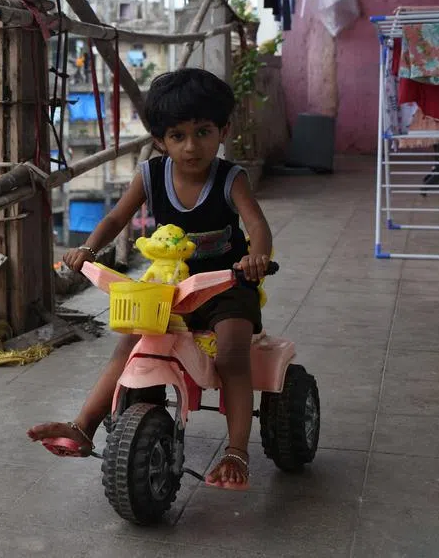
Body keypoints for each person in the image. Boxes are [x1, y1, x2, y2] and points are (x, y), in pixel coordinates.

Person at [27, 67, 272, 490]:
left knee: (233, 354)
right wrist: (87, 249)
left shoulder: (232, 178)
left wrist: (257, 257)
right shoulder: (151, 175)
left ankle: (237, 451)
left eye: (203, 132)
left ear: (223, 130)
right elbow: (117, 217)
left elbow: (258, 226)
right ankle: (84, 425)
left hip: (225, 286)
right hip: (167, 287)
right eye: (177, 136)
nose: (191, 146)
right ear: (160, 140)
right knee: (127, 345)